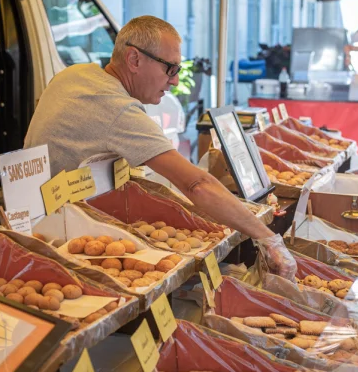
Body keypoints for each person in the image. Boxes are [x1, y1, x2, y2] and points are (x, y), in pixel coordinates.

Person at [24, 15, 295, 277]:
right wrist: (269, 239)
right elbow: (196, 184)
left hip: (33, 216)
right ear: (134, 59)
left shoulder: (75, 74)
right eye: (170, 68)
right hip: (53, 238)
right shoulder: (118, 109)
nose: (175, 80)